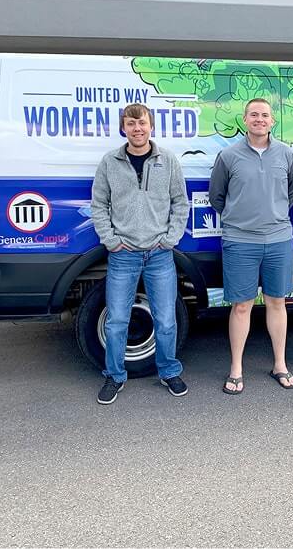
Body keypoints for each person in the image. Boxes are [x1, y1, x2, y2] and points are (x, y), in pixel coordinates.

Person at [91, 103, 189, 403]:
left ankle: (169, 371)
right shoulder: (110, 162)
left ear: (151, 126)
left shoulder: (167, 160)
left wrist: (170, 239)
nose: (137, 128)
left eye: (142, 123)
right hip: (123, 254)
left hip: (160, 254)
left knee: (166, 319)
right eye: (131, 124)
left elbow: (180, 202)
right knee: (117, 320)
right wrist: (110, 240)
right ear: (123, 128)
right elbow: (98, 205)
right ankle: (114, 376)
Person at [209, 98, 293, 394]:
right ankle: (236, 368)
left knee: (277, 303)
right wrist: (242, 219)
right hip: (240, 241)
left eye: (265, 115)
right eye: (254, 115)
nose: (259, 119)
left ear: (272, 121)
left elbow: (292, 193)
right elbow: (217, 197)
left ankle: (280, 365)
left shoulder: (286, 155)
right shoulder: (228, 156)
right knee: (241, 307)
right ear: (245, 120)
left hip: (278, 241)